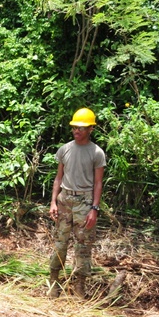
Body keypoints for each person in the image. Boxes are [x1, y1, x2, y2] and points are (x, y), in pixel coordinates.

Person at [48, 107, 106, 298]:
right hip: (65, 199)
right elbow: (58, 178)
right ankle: (54, 283)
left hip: (84, 201)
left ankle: (79, 286)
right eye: (74, 127)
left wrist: (94, 209)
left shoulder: (97, 153)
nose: (76, 131)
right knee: (60, 242)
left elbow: (98, 183)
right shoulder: (65, 149)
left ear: (91, 129)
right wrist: (53, 202)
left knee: (83, 245)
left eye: (81, 128)